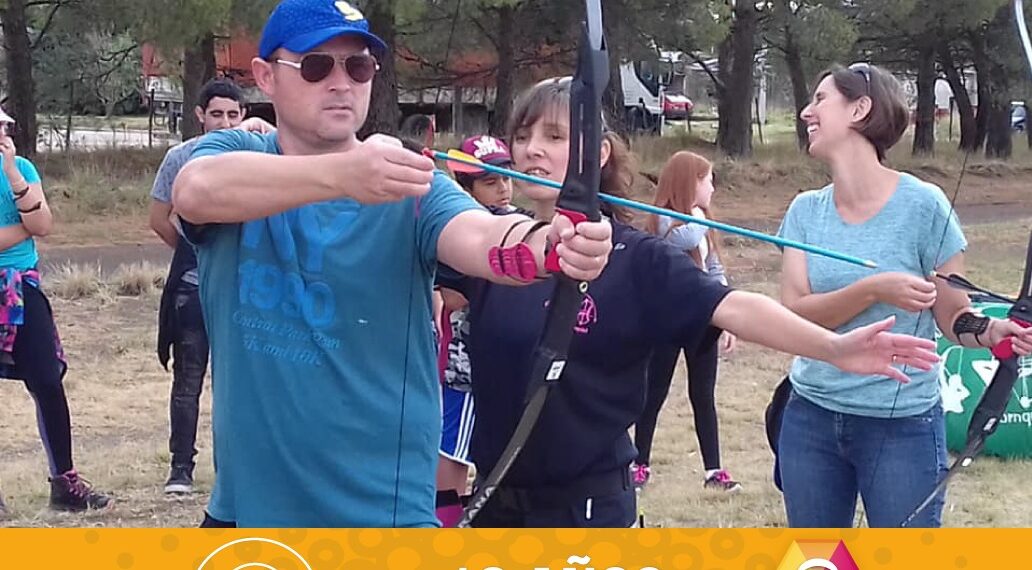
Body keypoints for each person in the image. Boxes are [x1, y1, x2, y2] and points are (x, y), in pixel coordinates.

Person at [170, 0, 613, 528]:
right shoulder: (232, 153)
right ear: (266, 77)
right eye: (316, 66)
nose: (341, 83)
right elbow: (193, 192)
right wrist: (342, 175)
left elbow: (488, 236)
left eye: (358, 67)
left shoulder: (409, 186)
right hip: (247, 515)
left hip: (383, 521)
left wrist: (551, 244)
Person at [439, 77, 941, 528]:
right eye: (522, 136)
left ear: (600, 153)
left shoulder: (636, 258)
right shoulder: (495, 249)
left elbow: (735, 307)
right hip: (494, 507)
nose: (530, 150)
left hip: (587, 514)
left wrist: (832, 348)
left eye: (554, 136)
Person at [775, 63, 1032, 528]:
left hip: (901, 427)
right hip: (810, 416)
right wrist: (875, 288)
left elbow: (954, 315)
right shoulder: (804, 211)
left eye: (819, 99)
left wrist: (993, 330)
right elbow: (795, 316)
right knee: (818, 558)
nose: (805, 112)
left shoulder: (924, 205)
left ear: (860, 108)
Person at [151, 77, 273, 495]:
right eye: (216, 114)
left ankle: (235, 469)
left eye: (233, 114)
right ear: (200, 115)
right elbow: (158, 218)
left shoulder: (258, 156)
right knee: (188, 379)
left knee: (239, 382)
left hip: (245, 289)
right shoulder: (180, 156)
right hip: (192, 289)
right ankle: (180, 469)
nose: (225, 122)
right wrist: (197, 251)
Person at [0, 107, 111, 512]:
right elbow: (33, 224)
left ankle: (65, 485)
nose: (3, 132)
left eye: (5, 126)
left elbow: (44, 225)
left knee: (47, 380)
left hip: (22, 288)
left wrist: (13, 175)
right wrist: (26, 226)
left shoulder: (22, 167)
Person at [433, 135, 533, 526]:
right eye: (490, 181)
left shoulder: (518, 219)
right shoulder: (455, 226)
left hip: (508, 368)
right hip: (465, 369)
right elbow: (454, 298)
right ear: (465, 186)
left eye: (506, 176)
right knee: (451, 459)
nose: (503, 187)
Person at [633, 150, 739, 492]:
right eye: (708, 181)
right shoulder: (664, 220)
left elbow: (715, 270)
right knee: (654, 391)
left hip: (702, 319)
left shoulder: (701, 222)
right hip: (667, 320)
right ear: (690, 183)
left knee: (703, 394)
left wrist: (728, 316)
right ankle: (639, 462)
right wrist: (696, 211)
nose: (713, 189)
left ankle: (713, 471)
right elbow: (686, 239)